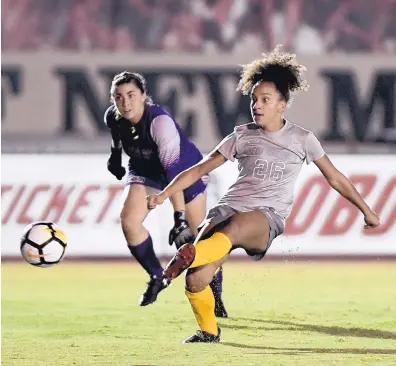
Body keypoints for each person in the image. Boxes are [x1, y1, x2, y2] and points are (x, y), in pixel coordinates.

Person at [146, 46, 381, 343]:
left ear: (282, 105)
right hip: (227, 207)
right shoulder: (241, 135)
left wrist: (366, 210)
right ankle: (208, 331)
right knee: (195, 279)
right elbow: (198, 169)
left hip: (265, 216)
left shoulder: (302, 139)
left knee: (235, 227)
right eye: (253, 100)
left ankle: (185, 257)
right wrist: (163, 195)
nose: (256, 105)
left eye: (265, 100)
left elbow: (334, 178)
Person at [105, 71, 228, 316]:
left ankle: (216, 296)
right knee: (129, 221)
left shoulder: (160, 123)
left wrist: (178, 217)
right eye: (119, 97)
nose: (125, 102)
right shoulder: (113, 116)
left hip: (186, 173)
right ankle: (156, 276)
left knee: (201, 240)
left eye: (131, 95)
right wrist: (115, 158)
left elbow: (175, 177)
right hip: (145, 170)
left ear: (143, 97)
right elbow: (117, 139)